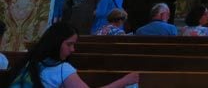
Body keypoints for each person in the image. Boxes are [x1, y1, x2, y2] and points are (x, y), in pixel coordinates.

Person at [6, 22, 139, 88]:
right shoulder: (63, 69)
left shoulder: (31, 60)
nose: (73, 49)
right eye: (69, 44)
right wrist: (125, 81)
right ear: (56, 43)